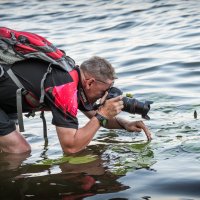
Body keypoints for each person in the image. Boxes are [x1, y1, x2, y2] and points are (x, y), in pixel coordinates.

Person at [0, 56, 152, 154]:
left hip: (6, 102)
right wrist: (103, 113)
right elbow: (70, 147)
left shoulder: (76, 80)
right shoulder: (64, 87)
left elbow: (95, 116)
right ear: (90, 82)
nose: (105, 96)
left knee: (6, 147)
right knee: (19, 149)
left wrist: (126, 124)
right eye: (104, 91)